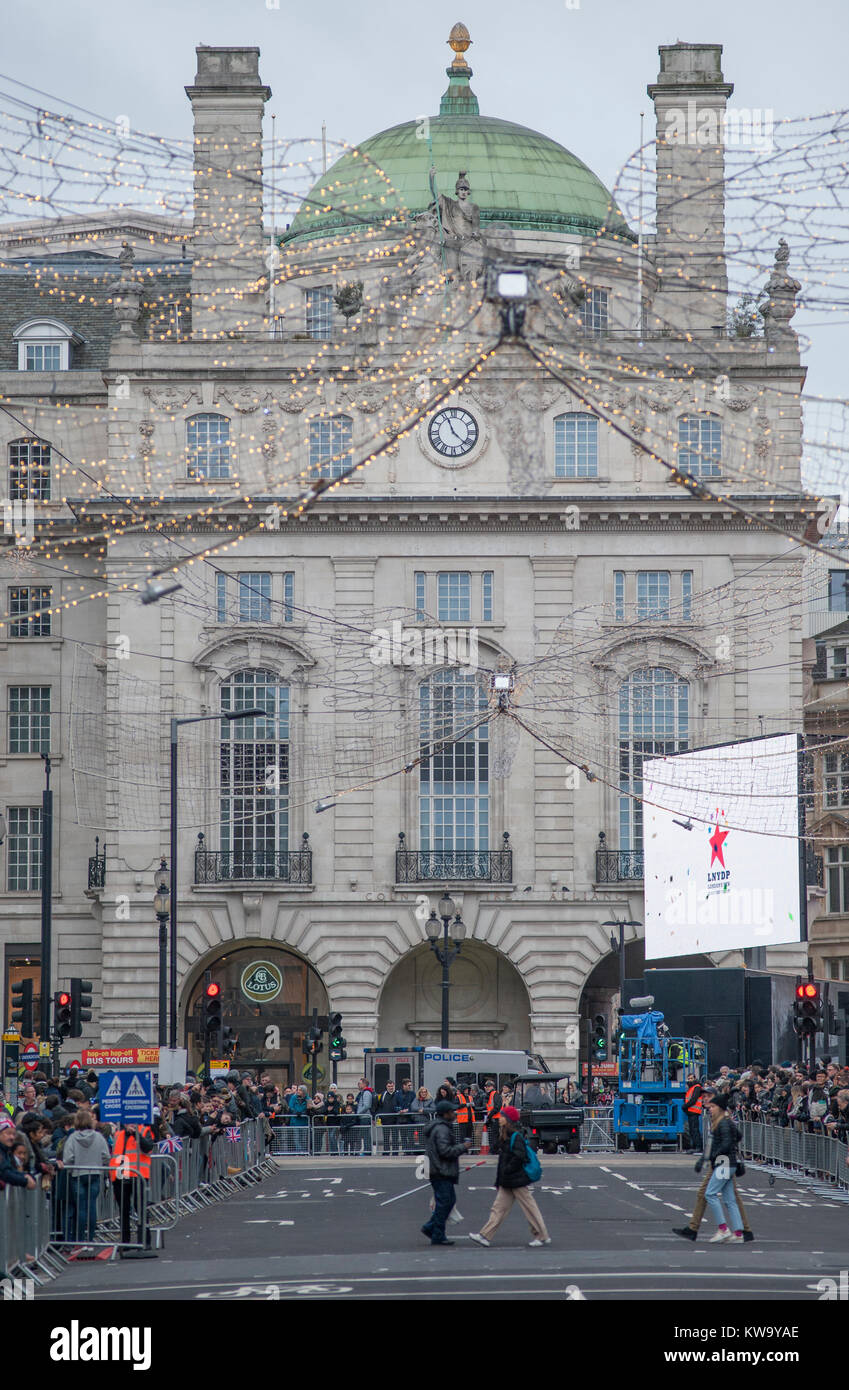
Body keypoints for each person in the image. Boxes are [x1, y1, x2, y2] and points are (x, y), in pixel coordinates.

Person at [469, 1106, 551, 1248]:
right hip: (509, 1180)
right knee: (499, 1209)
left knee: (528, 1208)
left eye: (502, 1116)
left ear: (507, 1120)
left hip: (516, 1179)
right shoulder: (507, 1135)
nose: (499, 1118)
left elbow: (519, 1156)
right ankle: (485, 1236)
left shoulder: (515, 1136)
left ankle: (542, 1235)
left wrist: (507, 1170)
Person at [695, 1093, 746, 1245]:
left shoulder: (722, 1123)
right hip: (729, 1162)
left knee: (710, 1193)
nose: (709, 1109)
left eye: (712, 1106)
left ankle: (723, 1229)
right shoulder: (727, 1122)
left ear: (719, 1108)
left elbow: (725, 1143)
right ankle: (738, 1232)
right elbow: (738, 1135)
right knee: (730, 1199)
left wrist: (712, 1156)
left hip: (723, 1163)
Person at [421, 1100, 470, 1247]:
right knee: (445, 1202)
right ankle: (436, 1233)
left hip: (437, 1169)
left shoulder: (438, 1127)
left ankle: (432, 1228)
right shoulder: (442, 1129)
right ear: (446, 1113)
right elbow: (445, 1151)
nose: (454, 1113)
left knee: (447, 1201)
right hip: (441, 1170)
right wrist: (463, 1147)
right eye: (452, 1111)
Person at [62, 1111, 111, 1245]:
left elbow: (68, 1158)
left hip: (78, 1174)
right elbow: (106, 1156)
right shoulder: (99, 1137)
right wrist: (98, 1163)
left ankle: (79, 1239)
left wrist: (72, 1167)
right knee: (91, 1206)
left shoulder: (72, 1138)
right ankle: (90, 1238)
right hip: (95, 1172)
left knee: (81, 1208)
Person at [682, 1073, 705, 1151]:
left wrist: (685, 1106)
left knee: (694, 1130)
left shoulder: (697, 1087)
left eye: (691, 1078)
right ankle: (695, 1146)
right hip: (691, 1111)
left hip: (694, 1111)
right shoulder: (692, 1087)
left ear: (695, 1078)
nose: (690, 1080)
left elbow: (693, 1099)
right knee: (692, 1130)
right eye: (689, 1079)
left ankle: (698, 1147)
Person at [355, 1078, 374, 1155]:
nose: (358, 1085)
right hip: (363, 1117)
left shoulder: (366, 1093)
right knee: (365, 1135)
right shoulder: (363, 1093)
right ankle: (367, 1150)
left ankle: (367, 1151)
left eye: (359, 1083)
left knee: (366, 1136)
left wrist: (358, 1113)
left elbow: (367, 1105)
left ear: (364, 1084)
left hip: (365, 1117)